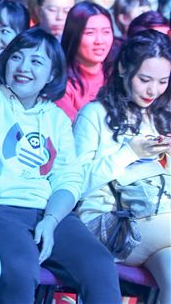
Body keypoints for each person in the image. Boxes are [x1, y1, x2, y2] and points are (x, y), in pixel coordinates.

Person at [0, 27, 121, 304]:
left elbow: (68, 180)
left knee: (100, 266)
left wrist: (51, 221)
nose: (23, 67)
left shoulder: (56, 118)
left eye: (36, 61)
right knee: (19, 272)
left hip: (49, 212)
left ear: (52, 74)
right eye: (17, 57)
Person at [74, 30, 171, 303]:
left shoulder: (161, 117)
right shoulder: (94, 114)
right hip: (110, 222)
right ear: (122, 69)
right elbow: (75, 184)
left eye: (163, 81)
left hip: (159, 222)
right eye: (144, 80)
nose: (153, 90)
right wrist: (128, 153)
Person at [56, 2, 114, 121]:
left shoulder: (115, 74)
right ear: (73, 35)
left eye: (106, 32)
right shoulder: (62, 83)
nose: (99, 41)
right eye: (90, 33)